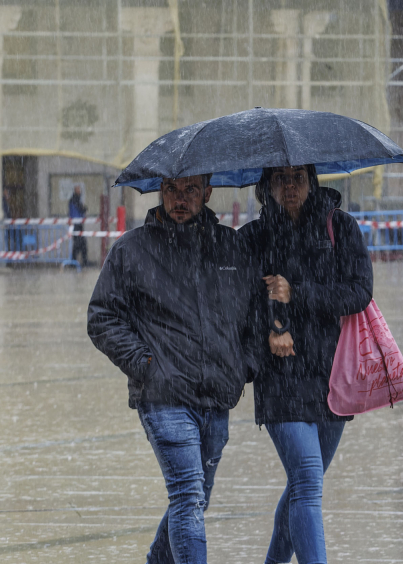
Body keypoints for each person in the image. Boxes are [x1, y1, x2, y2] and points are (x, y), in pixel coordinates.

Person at [87, 174, 265, 564]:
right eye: (171, 190)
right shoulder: (133, 250)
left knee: (196, 498)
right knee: (187, 494)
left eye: (189, 190)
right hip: (163, 395)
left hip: (217, 393)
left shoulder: (230, 247)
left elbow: (256, 315)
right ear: (160, 192)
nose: (179, 199)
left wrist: (242, 366)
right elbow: (102, 317)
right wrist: (146, 364)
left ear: (207, 192)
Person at [239, 165, 372, 564]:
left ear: (312, 181)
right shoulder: (254, 238)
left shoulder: (340, 229)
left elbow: (359, 292)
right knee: (307, 480)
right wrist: (269, 327)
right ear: (267, 187)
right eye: (281, 178)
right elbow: (236, 303)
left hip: (332, 375)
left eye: (298, 177)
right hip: (279, 378)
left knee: (302, 486)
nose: (290, 186)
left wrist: (299, 294)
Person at [68, 185, 88, 266]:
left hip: (77, 224)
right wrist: (85, 208)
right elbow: (82, 208)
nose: (79, 191)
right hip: (77, 224)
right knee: (80, 244)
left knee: (78, 244)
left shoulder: (74, 199)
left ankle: (75, 262)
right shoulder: (75, 199)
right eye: (78, 190)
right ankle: (79, 262)